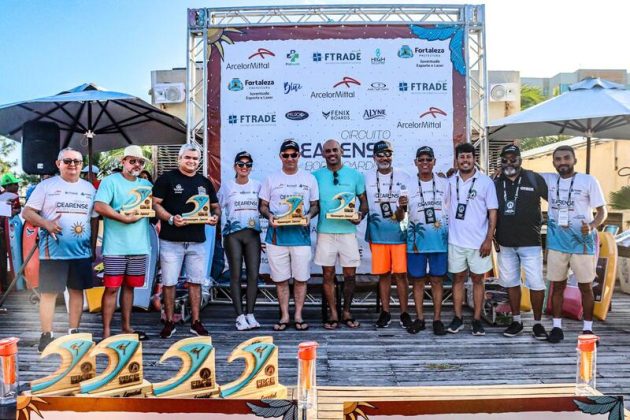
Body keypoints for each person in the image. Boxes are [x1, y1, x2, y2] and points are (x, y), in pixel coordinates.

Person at [22, 148, 98, 352]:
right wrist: (46, 224)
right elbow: (27, 211)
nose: (72, 165)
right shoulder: (46, 186)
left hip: (81, 251)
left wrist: (91, 247)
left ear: (82, 165)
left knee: (76, 291)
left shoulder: (90, 188)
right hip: (52, 251)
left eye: (77, 161)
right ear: (58, 164)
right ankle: (46, 334)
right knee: (48, 293)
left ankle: (74, 331)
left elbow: (94, 219)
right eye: (68, 161)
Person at [152, 143, 220, 338]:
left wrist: (215, 216)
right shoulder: (166, 179)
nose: (191, 161)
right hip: (170, 241)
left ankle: (196, 322)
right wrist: (171, 219)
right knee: (169, 282)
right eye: (188, 158)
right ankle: (168, 321)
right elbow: (155, 205)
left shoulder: (204, 182)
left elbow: (215, 207)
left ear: (199, 161)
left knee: (196, 282)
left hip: (197, 241)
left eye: (195, 159)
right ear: (179, 159)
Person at [541, 145, 607, 343]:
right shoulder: (548, 179)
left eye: (566, 158)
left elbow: (602, 211)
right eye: (558, 159)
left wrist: (593, 225)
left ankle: (587, 329)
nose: (562, 162)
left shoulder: (588, 180)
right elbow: (520, 173)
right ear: (553, 162)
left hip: (582, 243)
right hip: (556, 242)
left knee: (585, 286)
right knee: (557, 286)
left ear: (574, 160)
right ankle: (556, 327)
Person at [259, 139, 319, 331]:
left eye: (294, 154)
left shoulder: (309, 178)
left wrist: (309, 216)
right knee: (281, 279)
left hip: (300, 237)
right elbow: (263, 206)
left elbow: (316, 205)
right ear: (280, 157)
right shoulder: (271, 179)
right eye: (286, 155)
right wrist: (269, 216)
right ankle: (285, 315)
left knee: (301, 278)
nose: (290, 158)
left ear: (299, 156)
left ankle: (299, 315)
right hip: (277, 238)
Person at [94, 146, 152, 340]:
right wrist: (122, 217)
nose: (136, 164)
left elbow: (155, 207)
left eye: (140, 162)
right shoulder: (111, 181)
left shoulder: (146, 184)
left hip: (139, 245)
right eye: (132, 160)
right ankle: (107, 332)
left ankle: (127, 328)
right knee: (111, 288)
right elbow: (99, 205)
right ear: (123, 162)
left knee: (130, 287)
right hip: (115, 247)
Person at [494, 144, 549, 339]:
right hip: (505, 242)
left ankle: (537, 324)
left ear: (520, 160)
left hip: (530, 242)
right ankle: (516, 320)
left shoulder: (533, 178)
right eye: (505, 159)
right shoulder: (495, 182)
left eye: (513, 159)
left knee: (536, 283)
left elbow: (554, 200)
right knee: (511, 283)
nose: (509, 163)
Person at [313, 139, 368, 329]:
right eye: (327, 151)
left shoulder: (355, 175)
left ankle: (347, 312)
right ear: (323, 154)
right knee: (327, 274)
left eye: (334, 150)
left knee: (350, 275)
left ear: (341, 151)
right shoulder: (315, 176)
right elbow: (313, 205)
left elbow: (364, 202)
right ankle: (333, 313)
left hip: (347, 233)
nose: (331, 154)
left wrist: (360, 215)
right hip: (325, 232)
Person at [446, 142, 498, 336]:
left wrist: (488, 239)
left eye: (468, 157)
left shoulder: (486, 182)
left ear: (474, 159)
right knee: (457, 279)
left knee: (478, 280)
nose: (465, 160)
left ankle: (477, 319)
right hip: (456, 241)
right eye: (462, 157)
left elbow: (493, 213)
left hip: (479, 243)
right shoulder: (450, 182)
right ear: (457, 160)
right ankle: (457, 318)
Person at [402, 146, 449, 335]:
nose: (424, 163)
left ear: (434, 162)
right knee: (418, 281)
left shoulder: (445, 184)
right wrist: (399, 208)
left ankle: (437, 319)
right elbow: (401, 217)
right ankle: (420, 318)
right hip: (416, 241)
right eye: (420, 160)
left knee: (437, 281)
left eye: (428, 159)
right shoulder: (407, 185)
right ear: (415, 163)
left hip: (440, 240)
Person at [365, 140, 411, 329]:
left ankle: (404, 313)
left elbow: (407, 208)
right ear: (374, 158)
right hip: (377, 234)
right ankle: (385, 312)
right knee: (383, 275)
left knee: (401, 275)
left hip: (399, 233)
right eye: (381, 154)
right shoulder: (366, 178)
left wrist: (402, 208)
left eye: (388, 154)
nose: (385, 157)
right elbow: (364, 203)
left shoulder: (404, 176)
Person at [217, 151, 262, 330]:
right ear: (235, 166)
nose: (244, 167)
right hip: (232, 234)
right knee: (235, 275)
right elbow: (217, 208)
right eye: (241, 164)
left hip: (252, 234)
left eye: (248, 164)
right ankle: (239, 316)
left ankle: (250, 314)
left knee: (253, 275)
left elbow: (264, 207)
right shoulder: (227, 186)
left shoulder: (258, 185)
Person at [0, 173, 22, 291]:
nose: (18, 186)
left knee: (16, 256)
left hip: (11, 229)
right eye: (15, 184)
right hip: (2, 232)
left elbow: (18, 209)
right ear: (7, 186)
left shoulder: (15, 196)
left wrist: (14, 211)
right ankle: (4, 285)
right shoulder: (2, 196)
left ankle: (14, 283)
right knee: (3, 259)